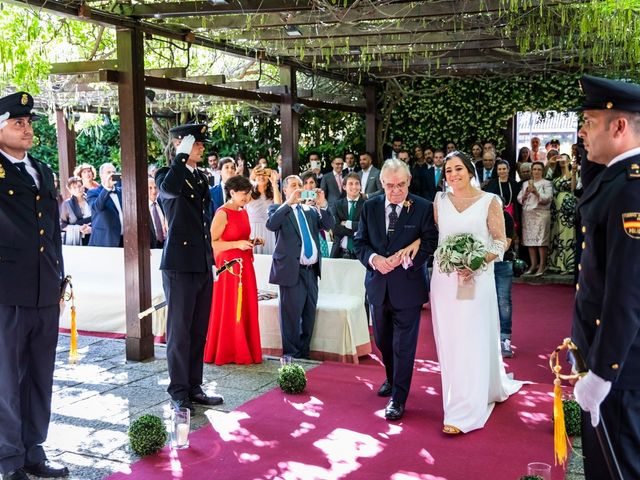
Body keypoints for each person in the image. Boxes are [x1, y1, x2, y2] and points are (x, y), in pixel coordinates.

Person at [570, 75, 640, 480]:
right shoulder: (614, 177)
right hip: (604, 356)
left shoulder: (631, 188)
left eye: (590, 121)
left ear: (619, 126)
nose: (582, 131)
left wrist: (602, 372)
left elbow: (627, 289)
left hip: (623, 368)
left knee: (619, 470)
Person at [429, 152, 524, 434]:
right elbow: (441, 238)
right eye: (448, 170)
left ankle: (464, 410)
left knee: (471, 336)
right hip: (444, 280)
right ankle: (460, 392)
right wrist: (451, 259)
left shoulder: (490, 201)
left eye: (458, 168)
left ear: (471, 171)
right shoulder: (440, 202)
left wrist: (476, 261)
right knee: (449, 339)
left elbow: (501, 241)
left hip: (477, 279)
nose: (453, 174)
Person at [0, 92, 69, 479]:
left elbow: (52, 234)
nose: (27, 129)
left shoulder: (40, 169)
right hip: (7, 290)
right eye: (17, 123)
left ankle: (32, 450)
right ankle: (8, 460)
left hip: (44, 288)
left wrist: (59, 280)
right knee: (8, 377)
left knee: (40, 373)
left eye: (29, 123)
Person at [353, 159, 438, 421]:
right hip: (378, 286)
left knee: (404, 346)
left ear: (409, 181)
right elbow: (360, 242)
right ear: (382, 184)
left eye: (401, 185)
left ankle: (398, 398)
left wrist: (407, 260)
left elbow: (430, 242)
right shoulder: (370, 206)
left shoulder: (423, 207)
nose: (396, 190)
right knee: (383, 341)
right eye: (390, 186)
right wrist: (375, 260)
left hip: (408, 287)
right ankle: (391, 377)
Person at [156, 124, 223, 415]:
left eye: (199, 144)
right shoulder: (166, 174)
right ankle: (179, 391)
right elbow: (169, 190)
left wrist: (210, 260)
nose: (201, 147)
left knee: (198, 330)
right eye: (195, 143)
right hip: (179, 263)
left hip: (200, 262)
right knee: (180, 331)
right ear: (179, 144)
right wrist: (181, 157)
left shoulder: (200, 178)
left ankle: (194, 386)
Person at [265, 175, 335, 359]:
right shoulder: (277, 209)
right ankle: (292, 355)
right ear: (285, 190)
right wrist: (288, 203)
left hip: (311, 272)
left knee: (308, 316)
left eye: (300, 185)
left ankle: (304, 354)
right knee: (290, 317)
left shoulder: (310, 210)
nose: (298, 188)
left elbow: (329, 225)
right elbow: (272, 225)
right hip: (291, 272)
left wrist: (323, 204)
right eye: (293, 186)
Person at [205, 175, 262, 365]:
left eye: (248, 194)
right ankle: (228, 350)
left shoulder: (243, 212)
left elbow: (241, 236)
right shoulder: (222, 213)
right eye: (243, 194)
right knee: (230, 306)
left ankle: (245, 348)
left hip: (245, 265)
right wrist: (237, 243)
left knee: (246, 305)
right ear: (232, 193)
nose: (247, 197)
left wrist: (252, 241)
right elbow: (212, 243)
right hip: (228, 268)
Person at [517, 161, 552, 275]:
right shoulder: (526, 183)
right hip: (528, 214)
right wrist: (526, 193)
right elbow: (519, 199)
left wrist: (536, 193)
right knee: (530, 241)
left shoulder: (546, 183)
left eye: (539, 169)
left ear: (542, 171)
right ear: (531, 171)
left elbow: (548, 198)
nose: (536, 171)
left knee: (541, 241)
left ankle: (542, 266)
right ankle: (533, 265)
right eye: (535, 169)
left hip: (541, 214)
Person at [548, 154, 577, 274]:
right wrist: (550, 163)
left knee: (567, 234)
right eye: (560, 159)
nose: (562, 161)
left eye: (565, 159)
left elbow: (573, 187)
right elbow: (546, 177)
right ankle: (556, 264)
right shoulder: (555, 175)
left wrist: (574, 172)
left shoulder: (572, 173)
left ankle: (567, 265)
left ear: (569, 161)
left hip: (568, 206)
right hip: (555, 206)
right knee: (556, 233)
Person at [245, 167, 280, 255]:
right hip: (253, 230)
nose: (261, 176)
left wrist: (274, 183)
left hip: (268, 230)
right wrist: (251, 178)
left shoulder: (273, 193)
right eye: (259, 174)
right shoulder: (249, 192)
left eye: (265, 174)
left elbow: (278, 206)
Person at [87, 162, 123, 247]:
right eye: (108, 172)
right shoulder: (93, 192)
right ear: (101, 175)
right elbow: (96, 208)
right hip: (105, 241)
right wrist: (107, 188)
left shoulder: (121, 191)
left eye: (114, 172)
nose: (112, 175)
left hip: (125, 239)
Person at [330, 173, 364, 259]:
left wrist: (348, 224)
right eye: (351, 184)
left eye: (357, 183)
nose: (354, 187)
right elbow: (335, 229)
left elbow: (366, 227)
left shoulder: (367, 205)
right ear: (344, 187)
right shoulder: (337, 205)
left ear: (360, 186)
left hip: (360, 253)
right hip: (339, 252)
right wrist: (356, 232)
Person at [60, 176, 92, 245]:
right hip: (75, 238)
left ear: (83, 186)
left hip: (92, 235)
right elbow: (62, 225)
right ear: (70, 190)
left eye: (79, 186)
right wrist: (79, 228)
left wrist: (91, 229)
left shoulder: (90, 199)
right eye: (74, 187)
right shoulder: (66, 204)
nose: (78, 189)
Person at [148, 176, 166, 249]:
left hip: (166, 245)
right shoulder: (141, 208)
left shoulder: (163, 204)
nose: (154, 191)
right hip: (151, 247)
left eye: (155, 187)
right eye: (150, 188)